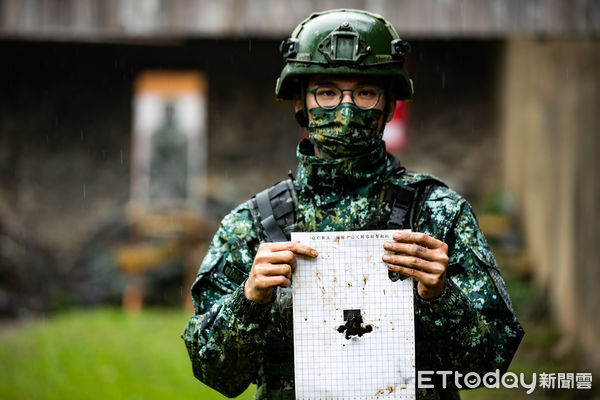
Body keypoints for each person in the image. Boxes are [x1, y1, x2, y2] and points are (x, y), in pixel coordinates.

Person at [182, 9, 524, 400]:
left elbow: (492, 364)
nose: (345, 110)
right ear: (300, 101)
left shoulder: (438, 214)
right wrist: (249, 301)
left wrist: (441, 297)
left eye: (365, 92)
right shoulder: (252, 226)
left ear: (389, 105)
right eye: (326, 92)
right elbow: (215, 373)